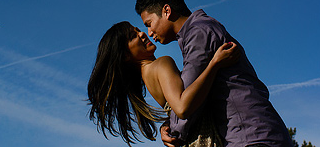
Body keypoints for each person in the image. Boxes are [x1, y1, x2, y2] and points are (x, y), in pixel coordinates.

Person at [135, 0, 291, 147]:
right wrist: (168, 124)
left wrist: (173, 131)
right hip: (255, 133)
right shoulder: (200, 29)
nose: (149, 32)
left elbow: (185, 105)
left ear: (167, 11)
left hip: (251, 136)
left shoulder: (198, 33)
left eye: (149, 23)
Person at [88, 20, 239, 145]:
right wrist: (214, 64)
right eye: (133, 36)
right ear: (126, 55)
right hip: (204, 138)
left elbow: (174, 109)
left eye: (137, 30)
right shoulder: (162, 64)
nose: (141, 34)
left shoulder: (148, 77)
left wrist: (166, 123)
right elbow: (181, 107)